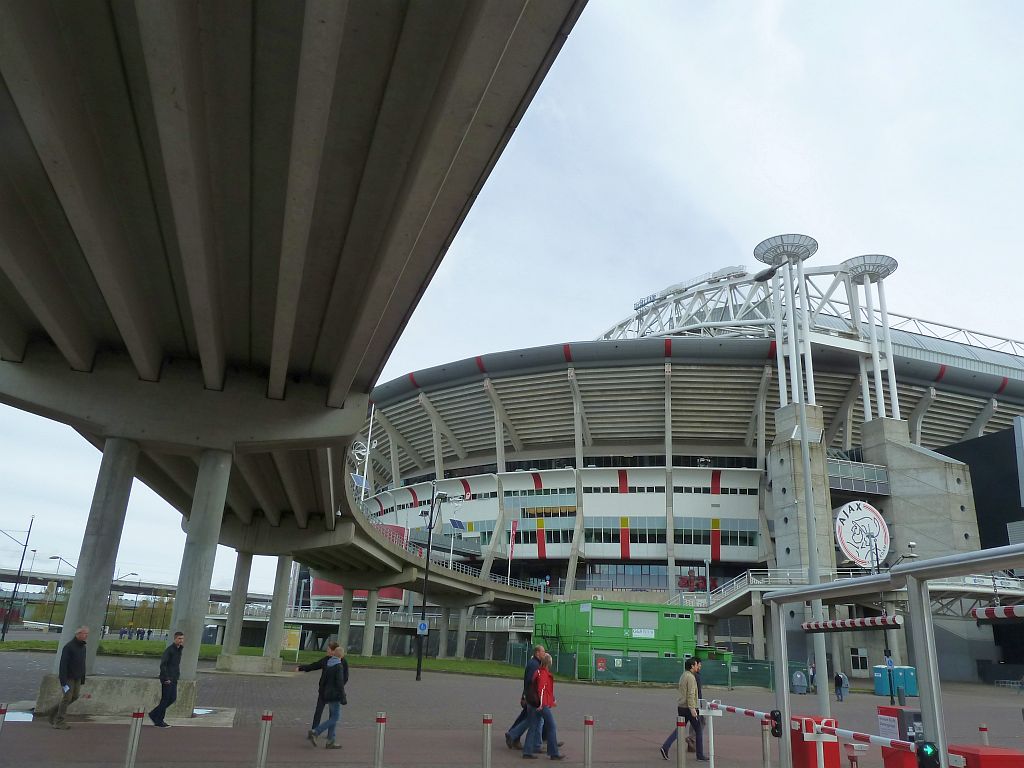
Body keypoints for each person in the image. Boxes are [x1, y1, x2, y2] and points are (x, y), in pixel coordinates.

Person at [39, 626, 89, 729]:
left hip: (78, 677)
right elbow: (63, 664)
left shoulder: (83, 647)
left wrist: (82, 677)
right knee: (67, 698)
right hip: (68, 677)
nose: (86, 636)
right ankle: (59, 721)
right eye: (84, 633)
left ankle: (52, 712)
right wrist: (63, 680)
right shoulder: (69, 647)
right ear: (78, 634)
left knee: (75, 696)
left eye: (87, 634)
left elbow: (82, 663)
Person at [660, 657, 707, 762]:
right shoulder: (691, 677)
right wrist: (692, 708)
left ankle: (665, 747)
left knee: (679, 729)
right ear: (692, 666)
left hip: (681, 706)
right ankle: (700, 755)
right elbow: (691, 694)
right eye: (696, 665)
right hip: (689, 707)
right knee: (698, 729)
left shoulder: (683, 675)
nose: (697, 666)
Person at [522, 654, 566, 760]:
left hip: (532, 703)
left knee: (532, 726)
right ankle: (553, 752)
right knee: (551, 726)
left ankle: (527, 751)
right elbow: (541, 690)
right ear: (549, 663)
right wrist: (542, 704)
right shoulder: (544, 674)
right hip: (541, 704)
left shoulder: (537, 672)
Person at [297, 641, 348, 731]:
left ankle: (329, 736)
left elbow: (345, 678)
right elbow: (315, 665)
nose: (326, 651)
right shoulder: (326, 659)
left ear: (333, 651)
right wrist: (302, 668)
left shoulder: (342, 662)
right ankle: (314, 730)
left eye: (328, 649)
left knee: (332, 714)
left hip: (333, 692)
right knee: (319, 711)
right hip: (323, 690)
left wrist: (338, 689)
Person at [505, 645, 545, 750]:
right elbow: (530, 681)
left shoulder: (535, 663)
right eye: (543, 652)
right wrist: (526, 696)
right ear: (537, 653)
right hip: (532, 697)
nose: (544, 654)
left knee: (528, 718)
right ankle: (513, 735)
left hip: (530, 696)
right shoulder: (534, 665)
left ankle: (514, 735)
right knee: (532, 719)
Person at [307, 645, 346, 749]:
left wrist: (322, 691)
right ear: (342, 655)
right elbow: (340, 683)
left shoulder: (329, 664)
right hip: (335, 695)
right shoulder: (339, 666)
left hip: (327, 693)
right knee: (335, 717)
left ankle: (330, 741)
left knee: (333, 716)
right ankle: (316, 731)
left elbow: (324, 680)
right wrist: (343, 696)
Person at [148, 631, 184, 727]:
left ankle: (153, 714)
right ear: (175, 639)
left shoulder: (179, 650)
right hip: (167, 678)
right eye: (179, 638)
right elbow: (163, 664)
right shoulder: (170, 650)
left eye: (182, 639)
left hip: (174, 678)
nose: (181, 640)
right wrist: (166, 677)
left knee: (172, 698)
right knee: (165, 699)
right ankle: (159, 720)